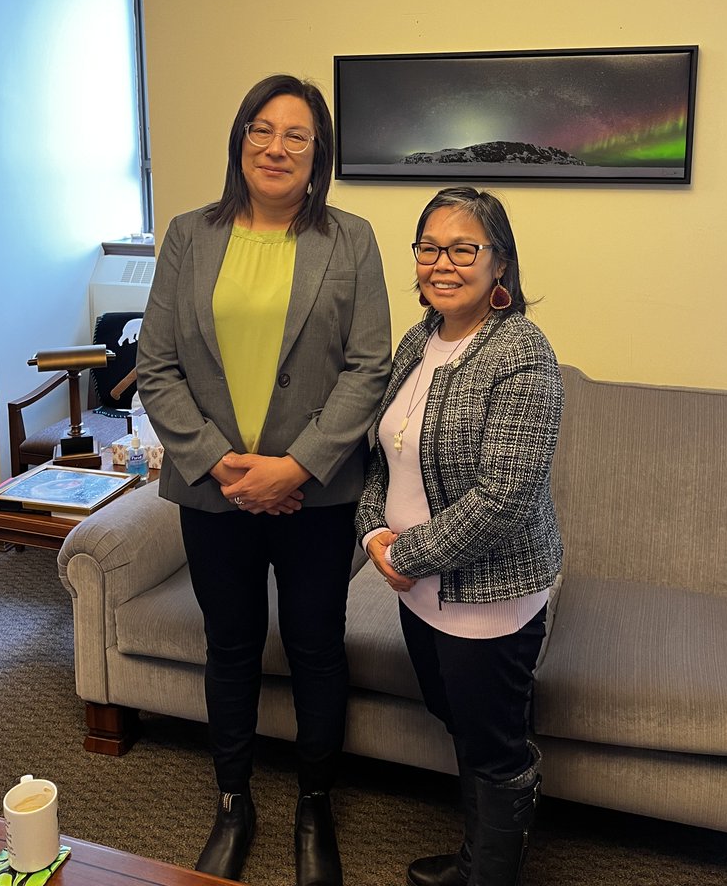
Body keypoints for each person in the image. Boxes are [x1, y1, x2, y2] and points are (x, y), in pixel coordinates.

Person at [136, 74, 391, 886]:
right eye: (262, 129)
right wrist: (218, 463)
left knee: (316, 646)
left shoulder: (351, 239)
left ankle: (314, 802)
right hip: (213, 493)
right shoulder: (187, 235)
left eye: (297, 136)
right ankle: (231, 800)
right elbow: (157, 364)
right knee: (231, 645)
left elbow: (367, 366)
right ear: (240, 140)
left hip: (315, 496)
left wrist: (295, 466)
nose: (276, 147)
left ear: (319, 156)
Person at [355, 187, 563, 886]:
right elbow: (381, 453)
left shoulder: (523, 352)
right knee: (459, 722)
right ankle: (478, 860)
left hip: (488, 596)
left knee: (495, 745)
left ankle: (488, 876)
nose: (443, 263)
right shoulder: (419, 341)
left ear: (498, 262)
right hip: (415, 589)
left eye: (464, 248)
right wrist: (375, 534)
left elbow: (504, 499)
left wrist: (403, 555)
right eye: (429, 247)